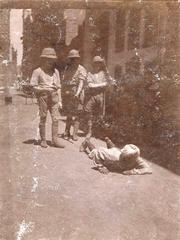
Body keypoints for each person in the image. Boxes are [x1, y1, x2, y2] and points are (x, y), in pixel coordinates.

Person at [30, 47, 65, 148]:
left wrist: (60, 100)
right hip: (43, 97)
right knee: (43, 117)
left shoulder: (56, 72)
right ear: (43, 60)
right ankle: (43, 140)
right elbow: (33, 87)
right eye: (48, 60)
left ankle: (55, 140)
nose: (50, 62)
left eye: (52, 60)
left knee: (55, 118)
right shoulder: (37, 71)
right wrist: (44, 90)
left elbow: (58, 87)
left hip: (54, 97)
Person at [80, 137, 152, 175]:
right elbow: (99, 152)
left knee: (114, 149)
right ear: (124, 156)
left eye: (132, 158)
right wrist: (101, 167)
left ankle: (108, 141)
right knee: (94, 152)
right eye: (128, 158)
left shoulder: (137, 158)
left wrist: (132, 171)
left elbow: (148, 169)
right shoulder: (115, 157)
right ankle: (87, 142)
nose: (130, 160)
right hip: (112, 155)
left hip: (116, 152)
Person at [84, 56, 115, 138]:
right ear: (93, 64)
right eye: (96, 63)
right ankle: (89, 131)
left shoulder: (103, 73)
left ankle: (98, 132)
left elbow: (109, 82)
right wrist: (102, 84)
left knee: (100, 114)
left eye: (99, 63)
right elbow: (90, 85)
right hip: (92, 96)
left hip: (101, 96)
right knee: (88, 112)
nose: (97, 65)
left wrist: (106, 69)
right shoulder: (90, 74)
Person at [61, 49, 87, 141]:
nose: (73, 61)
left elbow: (81, 83)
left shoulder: (81, 69)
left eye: (75, 59)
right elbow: (64, 81)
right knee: (69, 114)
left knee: (77, 114)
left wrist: (77, 93)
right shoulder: (67, 69)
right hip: (69, 92)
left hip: (78, 93)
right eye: (71, 59)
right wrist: (64, 92)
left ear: (78, 59)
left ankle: (75, 133)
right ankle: (66, 131)